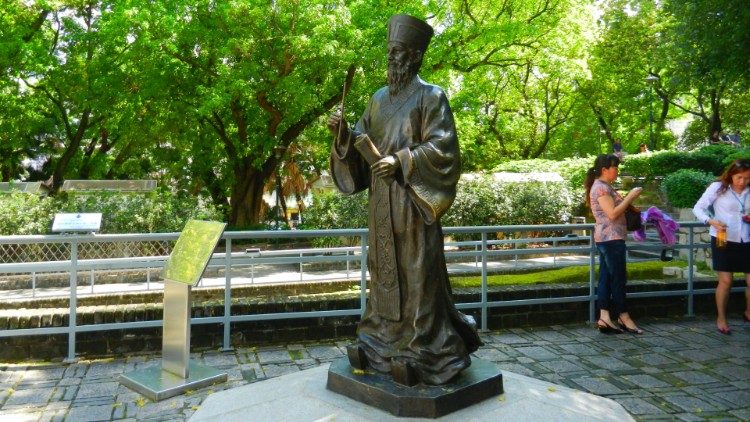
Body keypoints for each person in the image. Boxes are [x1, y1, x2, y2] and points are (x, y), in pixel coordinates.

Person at [326, 14, 480, 385]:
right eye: (389, 52)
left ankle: (423, 351)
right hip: (381, 204)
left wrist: (401, 160)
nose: (391, 59)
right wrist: (345, 135)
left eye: (397, 53)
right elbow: (360, 149)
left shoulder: (431, 97)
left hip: (412, 203)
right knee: (382, 273)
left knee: (417, 274)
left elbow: (444, 149)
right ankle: (380, 346)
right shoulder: (377, 100)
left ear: (413, 57)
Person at [585, 154, 644, 334]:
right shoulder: (601, 188)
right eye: (615, 168)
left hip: (608, 238)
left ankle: (604, 316)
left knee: (606, 277)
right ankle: (623, 316)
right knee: (618, 278)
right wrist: (630, 197)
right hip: (611, 239)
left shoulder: (602, 187)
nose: (617, 171)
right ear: (605, 170)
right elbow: (612, 214)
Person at [692, 159, 750, 335]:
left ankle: (748, 312)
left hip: (747, 238)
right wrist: (711, 221)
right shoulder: (718, 187)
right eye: (739, 177)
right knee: (726, 281)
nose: (743, 182)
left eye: (747, 178)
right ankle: (721, 318)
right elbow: (698, 208)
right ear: (731, 174)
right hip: (723, 238)